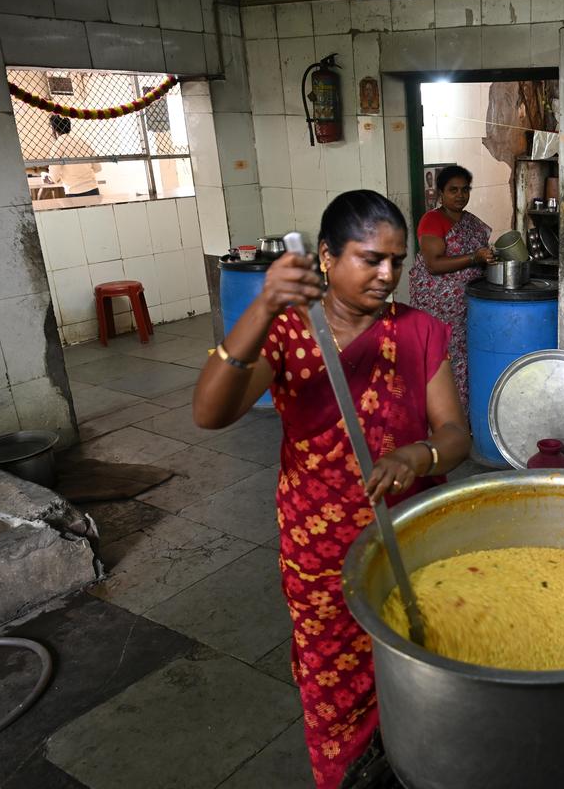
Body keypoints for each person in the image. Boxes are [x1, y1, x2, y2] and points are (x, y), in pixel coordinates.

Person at [192, 190, 471, 788]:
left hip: (409, 538)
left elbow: (454, 435)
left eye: (397, 261)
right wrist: (263, 306)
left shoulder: (420, 331)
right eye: (371, 259)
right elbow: (210, 413)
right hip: (321, 548)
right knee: (335, 689)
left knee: (423, 671)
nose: (388, 275)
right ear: (326, 256)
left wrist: (419, 454)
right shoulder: (289, 334)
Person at [408, 165, 497, 411]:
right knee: (443, 360)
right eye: (453, 190)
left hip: (467, 306)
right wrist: (474, 258)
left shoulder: (470, 222)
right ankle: (442, 417)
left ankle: (465, 417)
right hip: (438, 308)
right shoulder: (432, 220)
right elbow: (434, 264)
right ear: (441, 193)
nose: (460, 195)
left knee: (466, 361)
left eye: (465, 190)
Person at [47, 115, 102, 197]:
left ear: (54, 129)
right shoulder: (82, 141)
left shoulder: (57, 145)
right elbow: (98, 168)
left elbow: (54, 177)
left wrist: (46, 177)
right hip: (93, 189)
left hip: (74, 192)